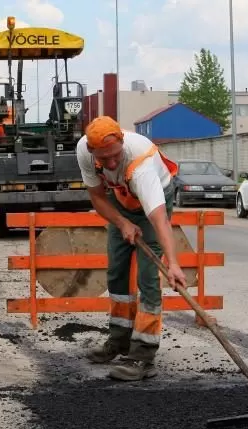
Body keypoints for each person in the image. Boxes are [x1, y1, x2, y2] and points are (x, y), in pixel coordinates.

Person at [76, 116, 186, 382]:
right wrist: (123, 222)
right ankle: (119, 341)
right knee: (116, 272)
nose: (111, 163)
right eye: (105, 159)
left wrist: (172, 264)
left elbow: (159, 219)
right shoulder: (84, 152)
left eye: (115, 156)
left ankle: (144, 356)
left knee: (148, 278)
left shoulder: (142, 166)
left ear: (122, 142)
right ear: (92, 152)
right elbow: (98, 197)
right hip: (121, 201)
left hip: (153, 199)